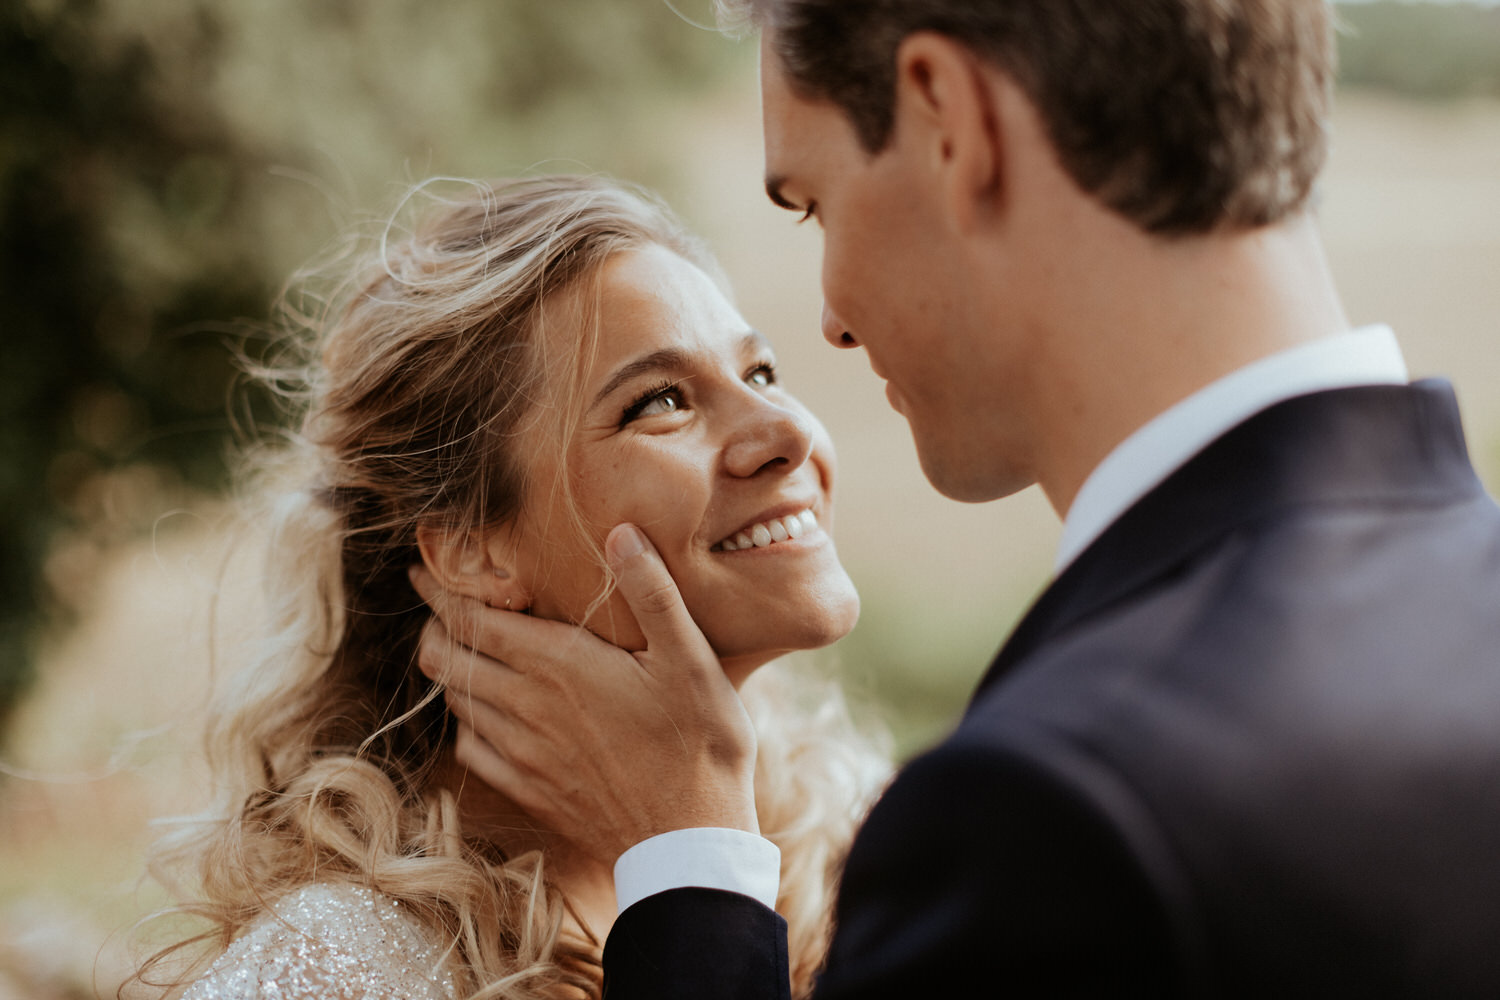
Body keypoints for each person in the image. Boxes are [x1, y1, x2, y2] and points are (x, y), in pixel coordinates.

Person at [414, 1, 1500, 996]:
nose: (832, 319)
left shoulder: (1049, 816)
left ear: (948, 115)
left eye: (813, 203)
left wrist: (690, 871)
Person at [131, 175, 886, 1000]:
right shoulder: (338, 968)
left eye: (763, 371)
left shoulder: (856, 856)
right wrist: (693, 854)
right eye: (660, 402)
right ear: (470, 549)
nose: (786, 433)